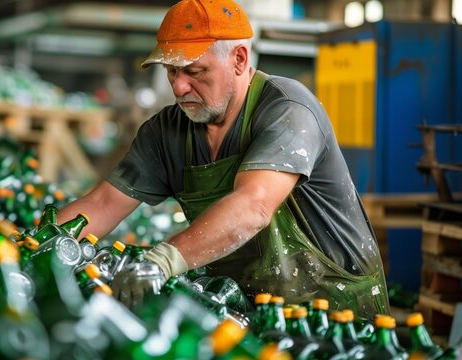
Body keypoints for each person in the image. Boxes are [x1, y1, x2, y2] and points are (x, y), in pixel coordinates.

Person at [56, 0, 390, 319]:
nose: (180, 87)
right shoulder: (167, 132)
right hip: (244, 311)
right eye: (172, 72)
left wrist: (164, 260)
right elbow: (101, 205)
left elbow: (253, 206)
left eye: (194, 71)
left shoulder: (287, 109)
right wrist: (39, 243)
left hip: (333, 315)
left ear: (240, 59)